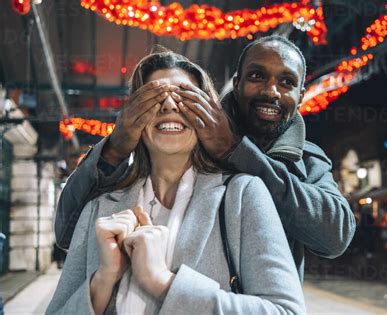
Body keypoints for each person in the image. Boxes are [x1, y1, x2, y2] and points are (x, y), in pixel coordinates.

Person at [55, 35, 356, 281]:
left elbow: (334, 237)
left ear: (301, 95)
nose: (271, 92)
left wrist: (236, 152)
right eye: (256, 76)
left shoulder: (306, 159)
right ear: (236, 83)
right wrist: (115, 149)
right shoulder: (186, 141)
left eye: (287, 82)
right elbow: (69, 233)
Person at [47, 49, 305, 314]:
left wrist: (162, 282)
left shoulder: (242, 195)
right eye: (153, 98)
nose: (169, 106)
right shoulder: (99, 207)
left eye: (184, 98)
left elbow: (286, 311)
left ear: (209, 115)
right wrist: (102, 281)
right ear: (133, 117)